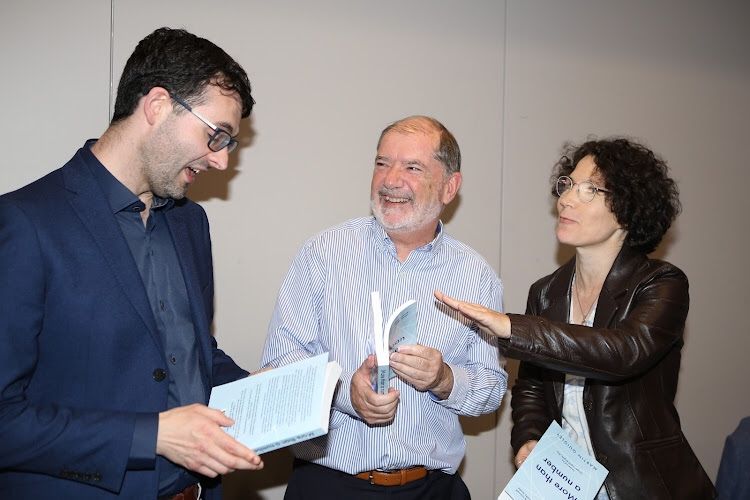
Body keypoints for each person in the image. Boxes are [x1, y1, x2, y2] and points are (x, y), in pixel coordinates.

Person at [0, 27, 263, 499]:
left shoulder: (190, 224)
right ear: (157, 105)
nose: (222, 162)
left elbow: (188, 353)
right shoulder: (25, 223)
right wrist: (152, 436)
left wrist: (261, 390)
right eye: (217, 135)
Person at [435, 138, 716, 499]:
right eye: (567, 185)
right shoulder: (547, 292)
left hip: (643, 486)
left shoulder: (662, 284)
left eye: (589, 190)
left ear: (627, 209)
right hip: (567, 487)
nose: (565, 199)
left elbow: (621, 353)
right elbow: (532, 386)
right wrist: (528, 437)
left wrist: (510, 326)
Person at [261, 115, 506, 499]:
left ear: (449, 187)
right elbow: (280, 365)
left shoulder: (476, 277)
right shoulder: (323, 254)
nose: (390, 180)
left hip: (432, 489)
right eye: (381, 163)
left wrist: (445, 379)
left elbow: (491, 388)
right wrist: (344, 393)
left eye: (412, 167)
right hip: (329, 485)